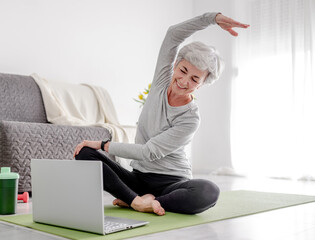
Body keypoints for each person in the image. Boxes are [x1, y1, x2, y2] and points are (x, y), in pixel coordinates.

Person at [73, 12, 249, 216]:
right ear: (175, 65)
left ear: (201, 84)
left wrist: (103, 144)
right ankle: (138, 200)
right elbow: (173, 35)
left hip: (171, 183)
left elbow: (148, 152)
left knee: (209, 192)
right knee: (84, 154)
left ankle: (141, 201)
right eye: (183, 71)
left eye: (194, 79)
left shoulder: (191, 118)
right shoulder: (160, 81)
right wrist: (211, 18)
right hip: (138, 179)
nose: (184, 82)